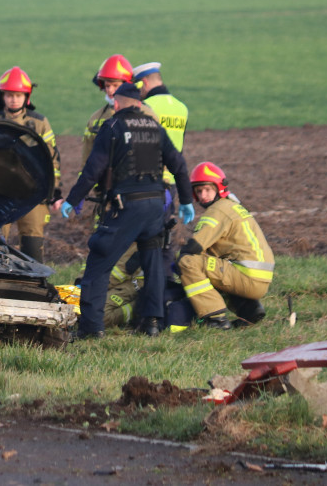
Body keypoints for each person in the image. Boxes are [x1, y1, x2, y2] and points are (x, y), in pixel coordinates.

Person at [53, 82, 193, 338]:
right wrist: (185, 200)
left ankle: (91, 328)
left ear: (116, 103)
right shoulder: (155, 127)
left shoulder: (113, 127)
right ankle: (152, 322)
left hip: (126, 206)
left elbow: (93, 169)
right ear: (139, 104)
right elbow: (179, 166)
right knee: (153, 264)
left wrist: (73, 199)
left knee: (99, 261)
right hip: (155, 208)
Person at [177, 162, 273, 329]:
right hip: (259, 279)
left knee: (188, 262)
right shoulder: (232, 206)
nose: (203, 195)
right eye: (199, 191)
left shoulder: (218, 210)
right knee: (209, 263)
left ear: (219, 187)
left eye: (207, 189)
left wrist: (174, 258)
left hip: (248, 277)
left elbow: (195, 247)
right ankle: (249, 308)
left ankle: (216, 319)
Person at [0, 66, 61, 260]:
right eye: (9, 95)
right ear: (1, 96)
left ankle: (35, 285)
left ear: (27, 97)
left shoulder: (40, 123)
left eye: (18, 95)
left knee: (33, 243)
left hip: (33, 192)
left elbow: (52, 159)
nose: (14, 99)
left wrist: (55, 191)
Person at [135, 61, 190, 272]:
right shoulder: (181, 108)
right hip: (172, 182)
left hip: (149, 180)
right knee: (165, 234)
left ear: (144, 83)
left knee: (144, 236)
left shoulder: (147, 108)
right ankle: (164, 277)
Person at [82, 54, 134, 170]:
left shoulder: (144, 113)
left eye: (115, 85)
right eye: (107, 85)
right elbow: (87, 157)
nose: (110, 90)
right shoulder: (95, 119)